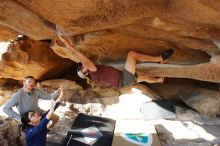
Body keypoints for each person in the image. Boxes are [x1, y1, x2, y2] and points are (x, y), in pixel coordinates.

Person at [58, 35, 174, 89]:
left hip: (123, 80)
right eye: (82, 67)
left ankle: (159, 80)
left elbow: (84, 61)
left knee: (144, 77)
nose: (83, 64)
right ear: (86, 73)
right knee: (132, 55)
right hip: (124, 79)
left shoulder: (93, 73)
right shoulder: (93, 72)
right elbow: (83, 59)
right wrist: (69, 46)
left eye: (81, 66)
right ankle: (160, 59)